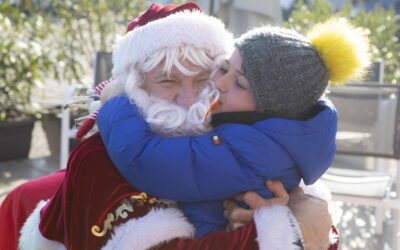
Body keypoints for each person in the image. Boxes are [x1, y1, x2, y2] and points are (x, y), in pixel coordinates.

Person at [16, 3, 328, 250]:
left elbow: (323, 230)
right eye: (167, 80)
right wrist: (289, 230)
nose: (190, 97)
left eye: (204, 78)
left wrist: (294, 205)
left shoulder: (240, 130)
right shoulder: (98, 160)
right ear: (136, 86)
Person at [91, 15, 370, 249]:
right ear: (135, 84)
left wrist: (116, 106)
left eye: (202, 78)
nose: (218, 86)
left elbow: (144, 160)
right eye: (223, 69)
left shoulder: (248, 145)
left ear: (269, 108)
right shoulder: (251, 129)